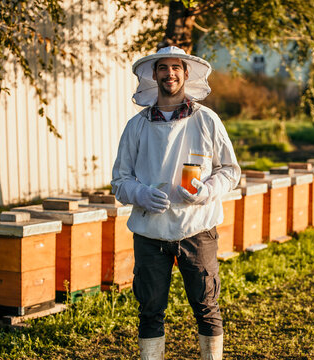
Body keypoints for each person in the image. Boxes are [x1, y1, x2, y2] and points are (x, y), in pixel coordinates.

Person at [111, 46, 240, 360]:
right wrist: (139, 194)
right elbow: (120, 179)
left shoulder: (206, 120)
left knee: (206, 306)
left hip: (197, 229)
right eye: (163, 68)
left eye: (176, 68)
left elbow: (229, 170)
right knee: (150, 309)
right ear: (153, 75)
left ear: (186, 73)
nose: (170, 74)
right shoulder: (137, 126)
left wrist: (206, 191)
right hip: (149, 232)